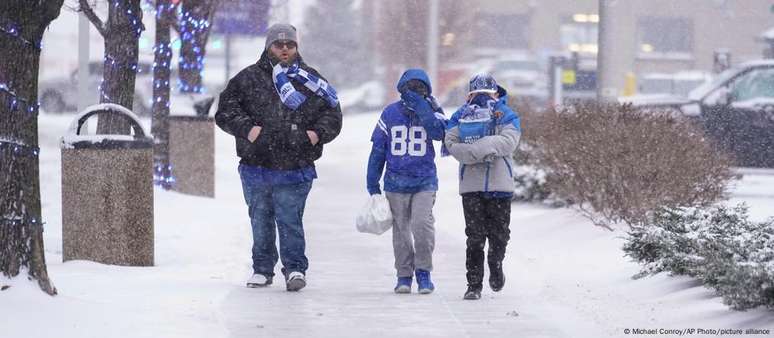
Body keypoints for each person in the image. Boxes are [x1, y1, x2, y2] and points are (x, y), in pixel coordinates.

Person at [215, 23, 342, 292]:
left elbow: (333, 114)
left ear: (296, 47)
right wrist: (249, 130)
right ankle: (262, 268)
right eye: (279, 44)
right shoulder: (247, 79)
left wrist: (315, 135)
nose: (285, 49)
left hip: (296, 166)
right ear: (268, 46)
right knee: (260, 219)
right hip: (256, 165)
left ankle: (295, 268)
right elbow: (225, 112)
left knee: (289, 219)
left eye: (290, 44)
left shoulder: (312, 80)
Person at [366, 69, 446, 294]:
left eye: (420, 87)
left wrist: (423, 107)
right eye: (410, 87)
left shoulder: (432, 110)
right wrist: (372, 180)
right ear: (402, 89)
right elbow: (378, 148)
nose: (415, 91)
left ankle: (424, 272)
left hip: (424, 181)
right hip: (395, 182)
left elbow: (440, 134)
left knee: (422, 227)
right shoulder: (390, 113)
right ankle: (403, 274)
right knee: (401, 232)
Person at [444, 74, 521, 300]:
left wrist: (479, 148)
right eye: (476, 94)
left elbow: (509, 141)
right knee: (474, 237)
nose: (480, 99)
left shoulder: (506, 114)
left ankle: (495, 263)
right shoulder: (460, 115)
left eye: (486, 95)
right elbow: (450, 143)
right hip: (471, 186)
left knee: (500, 235)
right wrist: (475, 153)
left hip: (500, 184)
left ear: (496, 94)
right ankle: (473, 285)